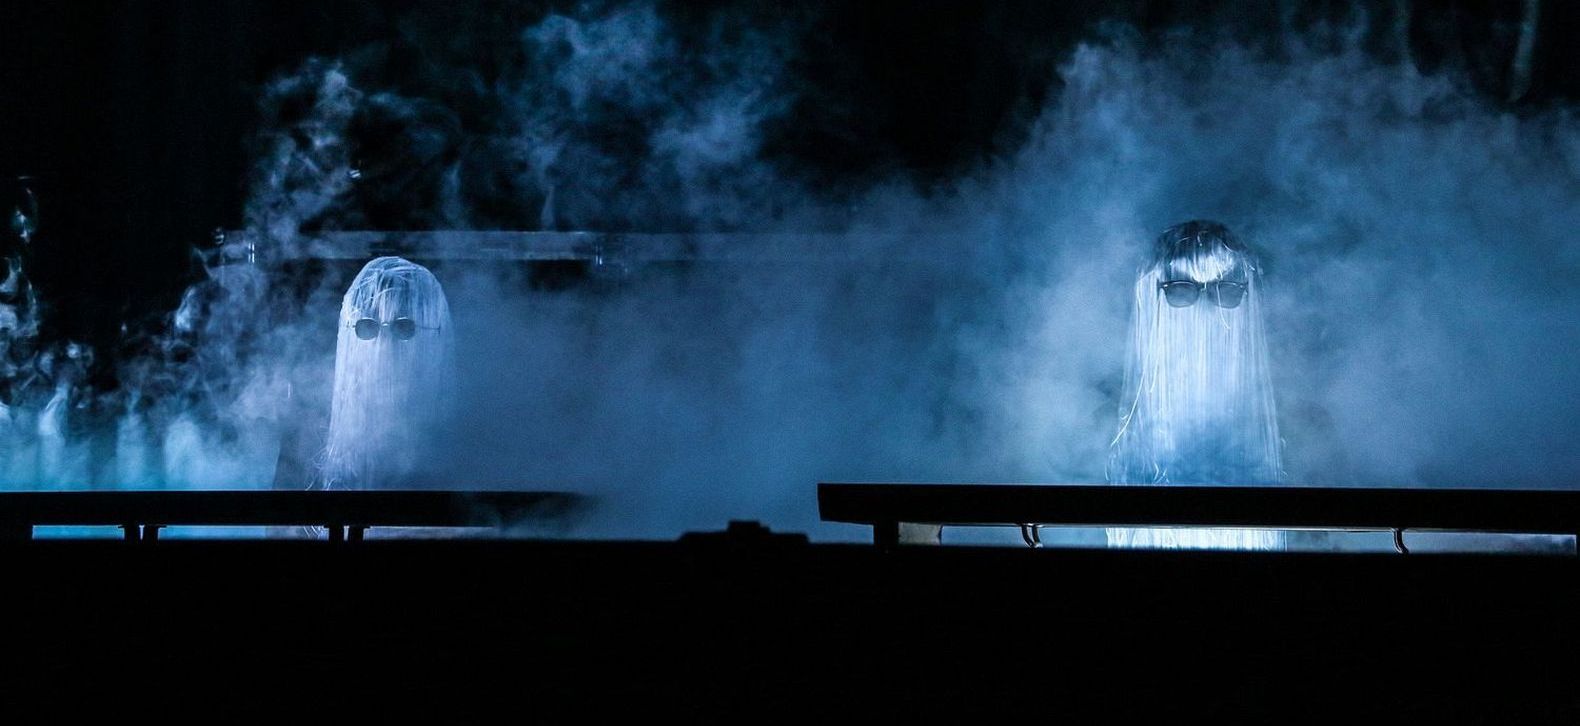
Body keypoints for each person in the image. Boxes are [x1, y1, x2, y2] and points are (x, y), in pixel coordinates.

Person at [1106, 220, 1284, 550]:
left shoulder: (1295, 425)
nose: (1204, 309)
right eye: (1181, 289)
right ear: (1152, 294)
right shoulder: (1109, 419)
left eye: (1225, 290)